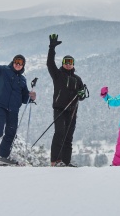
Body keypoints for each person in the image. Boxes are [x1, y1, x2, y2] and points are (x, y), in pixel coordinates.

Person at [0, 37, 36, 165]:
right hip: (1, 106)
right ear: (13, 61)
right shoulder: (3, 71)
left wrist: (31, 97)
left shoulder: (23, 80)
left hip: (13, 110)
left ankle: (3, 156)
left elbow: (24, 98)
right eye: (16, 61)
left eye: (20, 63)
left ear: (23, 66)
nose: (18, 64)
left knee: (11, 132)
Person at [47, 34, 87, 167]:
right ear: (63, 64)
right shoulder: (57, 75)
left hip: (72, 111)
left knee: (68, 136)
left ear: (73, 64)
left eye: (70, 63)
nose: (68, 65)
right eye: (66, 62)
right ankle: (55, 161)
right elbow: (50, 63)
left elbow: (81, 96)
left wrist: (81, 94)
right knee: (59, 133)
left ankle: (66, 161)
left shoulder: (78, 79)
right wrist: (52, 47)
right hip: (59, 109)